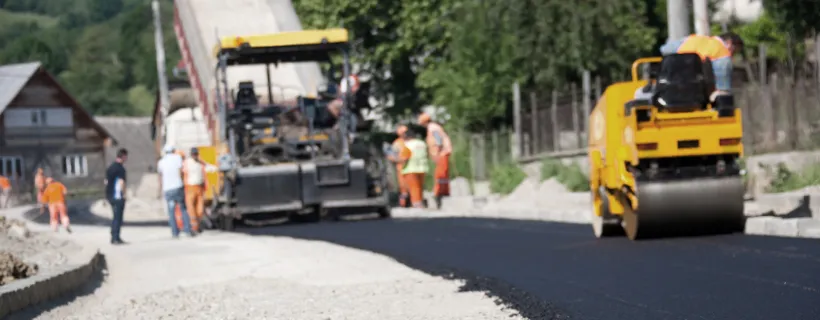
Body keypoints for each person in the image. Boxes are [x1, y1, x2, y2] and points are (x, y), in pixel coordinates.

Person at [659, 32, 744, 99]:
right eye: (735, 51)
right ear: (729, 43)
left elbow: (664, 49)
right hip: (697, 94)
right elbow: (723, 88)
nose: (732, 55)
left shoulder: (692, 39)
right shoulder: (722, 53)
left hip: (672, 90)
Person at [157, 144, 194, 238]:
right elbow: (180, 172)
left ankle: (174, 232)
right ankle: (187, 230)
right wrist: (182, 182)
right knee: (183, 209)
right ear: (173, 150)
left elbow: (160, 177)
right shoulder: (177, 158)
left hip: (167, 189)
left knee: (171, 211)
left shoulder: (161, 162)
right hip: (178, 187)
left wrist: (160, 190)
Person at [417, 112, 452, 209]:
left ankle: (440, 192)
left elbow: (438, 140)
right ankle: (443, 191)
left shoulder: (432, 128)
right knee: (442, 174)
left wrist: (438, 151)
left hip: (441, 153)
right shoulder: (433, 127)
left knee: (440, 174)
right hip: (441, 153)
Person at [398, 129, 430, 208]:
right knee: (420, 186)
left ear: (407, 137)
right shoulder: (422, 143)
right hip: (422, 168)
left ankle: (416, 203)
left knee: (414, 187)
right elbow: (427, 154)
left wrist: (396, 160)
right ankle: (420, 202)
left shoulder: (408, 145)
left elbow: (404, 158)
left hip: (411, 169)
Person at [105, 148, 128, 245]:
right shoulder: (120, 169)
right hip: (117, 195)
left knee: (115, 216)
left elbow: (105, 181)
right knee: (118, 217)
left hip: (109, 195)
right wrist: (124, 193)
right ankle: (116, 237)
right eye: (126, 157)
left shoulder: (110, 167)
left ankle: (114, 236)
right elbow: (121, 182)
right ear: (123, 156)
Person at [183, 147, 207, 233]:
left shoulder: (200, 163)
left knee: (200, 209)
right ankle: (194, 227)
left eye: (196, 154)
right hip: (190, 187)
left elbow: (206, 169)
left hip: (199, 187)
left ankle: (198, 225)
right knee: (191, 208)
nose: (195, 156)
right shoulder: (187, 163)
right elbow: (183, 173)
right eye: (194, 154)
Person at [386, 125, 410, 207]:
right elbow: (390, 156)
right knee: (403, 187)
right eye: (404, 132)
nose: (406, 134)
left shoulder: (411, 141)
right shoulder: (397, 143)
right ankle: (404, 203)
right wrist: (401, 160)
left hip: (412, 168)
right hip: (401, 168)